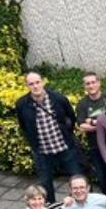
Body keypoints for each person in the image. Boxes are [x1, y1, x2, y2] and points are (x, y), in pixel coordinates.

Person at [16, 71, 81, 201]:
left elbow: (71, 118)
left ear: (43, 82)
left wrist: (67, 133)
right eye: (31, 84)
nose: (35, 86)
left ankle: (80, 204)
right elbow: (23, 125)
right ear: (27, 86)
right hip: (42, 151)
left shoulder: (58, 98)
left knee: (77, 178)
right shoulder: (22, 104)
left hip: (64, 147)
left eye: (37, 82)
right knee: (45, 184)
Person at [76, 72, 106, 196]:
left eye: (93, 82)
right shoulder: (82, 104)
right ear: (84, 86)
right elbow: (81, 125)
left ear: (99, 83)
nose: (91, 86)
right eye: (88, 83)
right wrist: (102, 124)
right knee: (102, 177)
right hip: (95, 146)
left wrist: (92, 122)